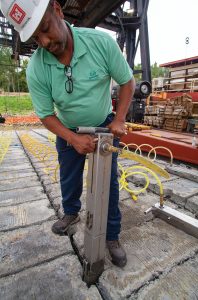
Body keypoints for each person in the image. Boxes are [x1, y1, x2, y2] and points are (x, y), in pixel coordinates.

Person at [0, 0, 135, 267]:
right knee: (68, 176)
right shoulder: (37, 67)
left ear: (58, 10)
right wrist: (72, 138)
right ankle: (71, 213)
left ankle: (111, 235)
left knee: (108, 184)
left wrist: (119, 119)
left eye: (45, 28)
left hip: (103, 124)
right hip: (67, 128)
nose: (45, 41)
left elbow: (127, 82)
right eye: (36, 38)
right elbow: (45, 115)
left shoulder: (101, 43)